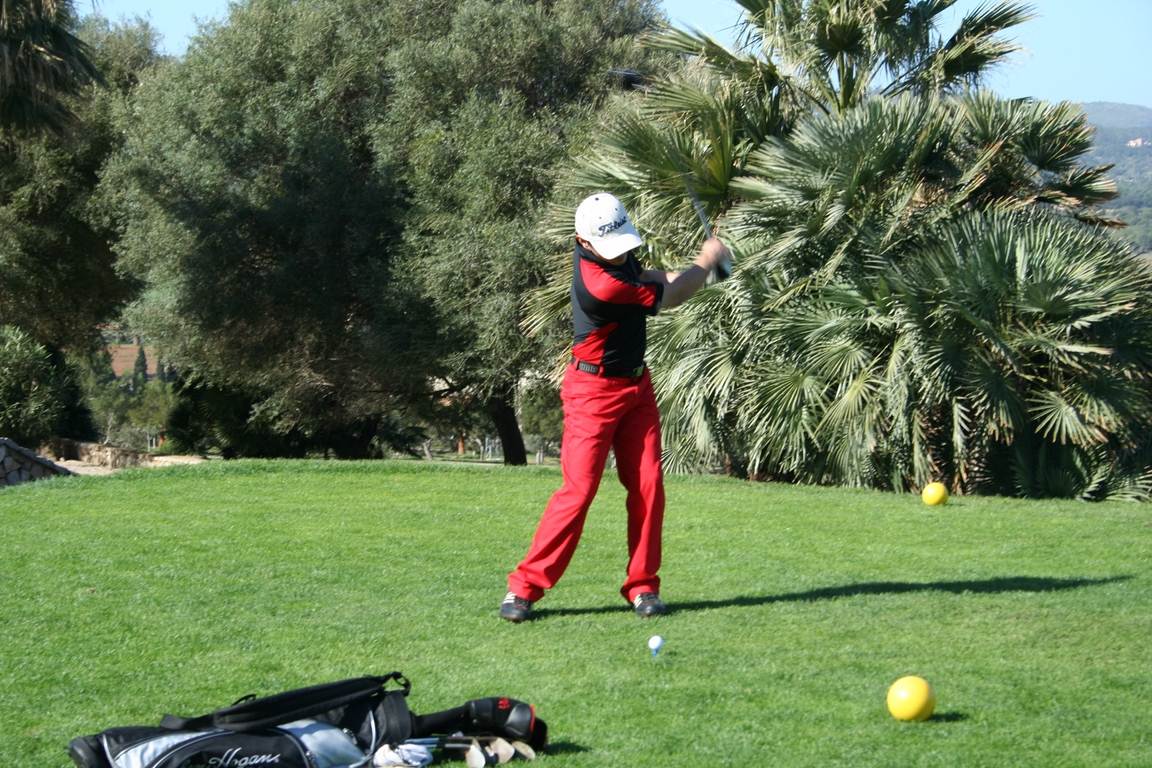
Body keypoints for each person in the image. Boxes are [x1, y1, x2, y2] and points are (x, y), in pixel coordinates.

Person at [500, 192, 730, 622]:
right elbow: (669, 296)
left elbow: (650, 276)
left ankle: (643, 586)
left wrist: (703, 271)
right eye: (611, 248)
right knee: (579, 491)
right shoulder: (601, 284)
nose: (619, 253)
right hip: (593, 393)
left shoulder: (615, 254)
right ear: (582, 242)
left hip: (637, 387)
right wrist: (707, 262)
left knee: (648, 486)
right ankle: (523, 588)